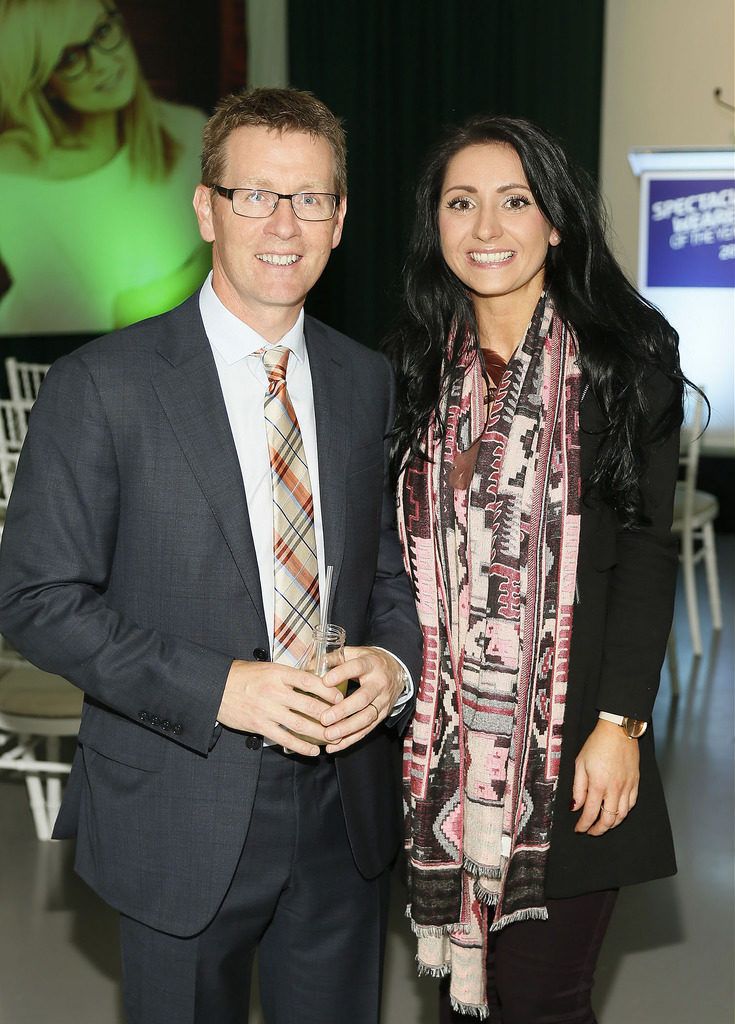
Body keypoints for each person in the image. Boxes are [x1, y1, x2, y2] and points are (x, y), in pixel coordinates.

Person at [0, 86, 422, 1024]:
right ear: (206, 207)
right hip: (176, 806)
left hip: (343, 810)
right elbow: (35, 598)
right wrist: (222, 688)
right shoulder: (101, 386)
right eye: (255, 195)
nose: (284, 223)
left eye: (311, 198)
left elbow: (392, 572)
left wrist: (391, 668)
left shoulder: (366, 382)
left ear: (341, 218)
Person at [384, 115, 687, 1022]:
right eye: (461, 203)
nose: (486, 228)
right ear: (434, 227)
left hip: (572, 738)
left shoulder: (621, 364)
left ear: (556, 221)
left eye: (514, 202)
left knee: (542, 997)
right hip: (438, 749)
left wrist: (619, 723)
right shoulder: (409, 368)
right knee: (461, 1006)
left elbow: (643, 550)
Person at [0, 0, 210, 334]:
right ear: (42, 80)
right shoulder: (11, 177)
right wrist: (218, 253)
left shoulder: (187, 129)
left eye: (101, 30)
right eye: (70, 58)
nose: (102, 62)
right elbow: (120, 318)